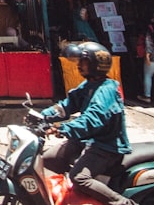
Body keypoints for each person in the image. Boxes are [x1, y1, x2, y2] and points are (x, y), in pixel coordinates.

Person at [40, 41, 133, 205]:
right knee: (47, 158)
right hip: (87, 141)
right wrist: (43, 116)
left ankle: (121, 202)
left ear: (96, 64)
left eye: (83, 62)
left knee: (79, 177)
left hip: (106, 146)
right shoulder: (89, 85)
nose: (79, 66)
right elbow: (67, 105)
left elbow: (91, 120)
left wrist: (63, 128)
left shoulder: (107, 89)